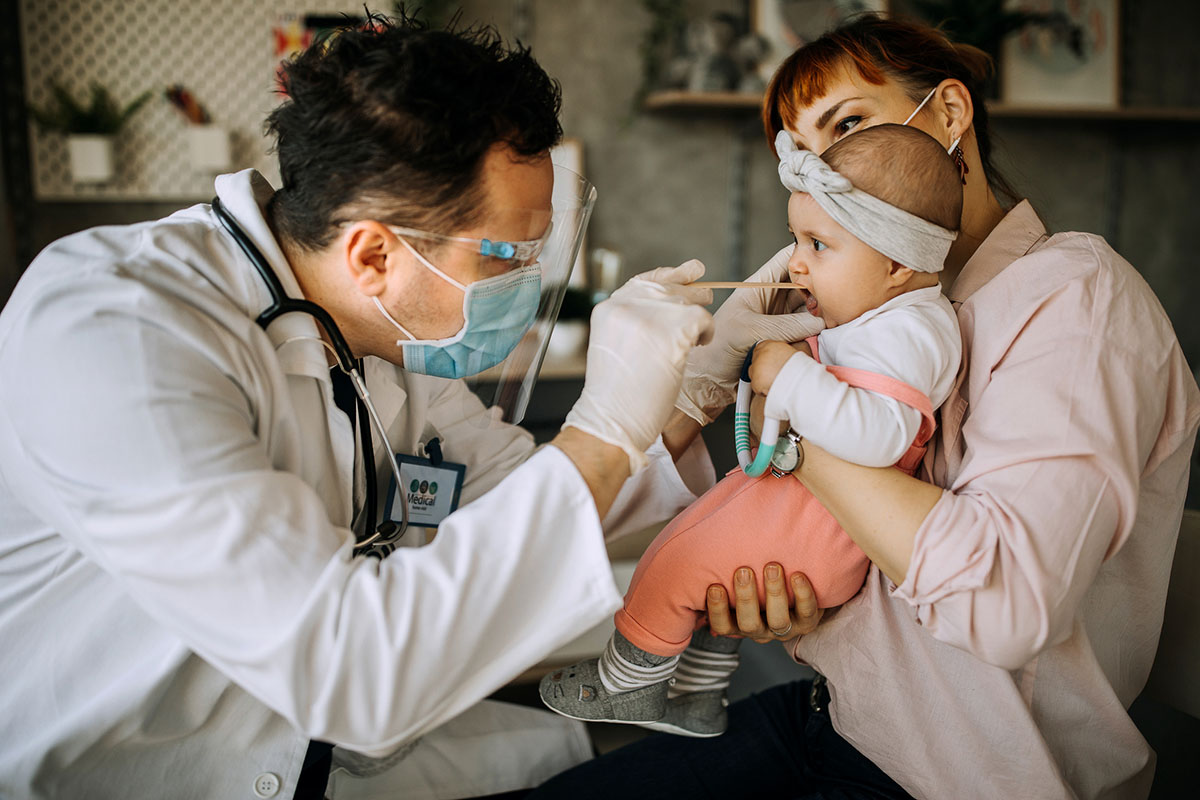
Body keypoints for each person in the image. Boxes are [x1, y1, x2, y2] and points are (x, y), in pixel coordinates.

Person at [0, 14, 835, 800]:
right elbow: (349, 672)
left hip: (321, 749)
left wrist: (699, 380)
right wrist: (605, 424)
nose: (525, 283)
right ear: (373, 253)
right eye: (508, 254)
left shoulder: (382, 335)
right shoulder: (119, 334)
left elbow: (535, 494)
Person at [530, 14, 1200, 800]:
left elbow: (1008, 606)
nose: (827, 177)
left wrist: (798, 420)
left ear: (949, 115)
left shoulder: (1077, 298)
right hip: (836, 715)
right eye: (803, 157)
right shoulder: (863, 317)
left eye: (848, 126)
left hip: (952, 776)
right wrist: (715, 373)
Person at [538, 123, 963, 738]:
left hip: (812, 525)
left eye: (818, 244)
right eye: (797, 239)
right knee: (699, 574)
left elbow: (881, 437)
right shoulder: (889, 317)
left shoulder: (907, 330)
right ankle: (699, 699)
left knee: (673, 561)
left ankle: (623, 683)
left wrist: (785, 373)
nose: (794, 261)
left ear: (897, 264)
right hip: (803, 513)